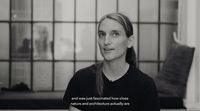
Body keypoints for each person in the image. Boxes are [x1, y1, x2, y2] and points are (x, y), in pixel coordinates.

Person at [63, 12, 160, 111]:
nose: (106, 41)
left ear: (130, 41)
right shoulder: (81, 79)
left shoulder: (145, 86)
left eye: (115, 34)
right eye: (102, 34)